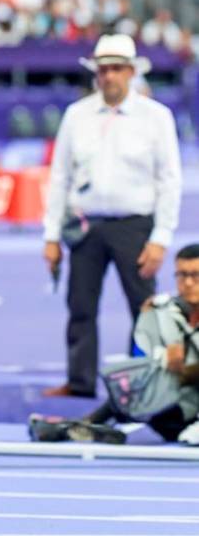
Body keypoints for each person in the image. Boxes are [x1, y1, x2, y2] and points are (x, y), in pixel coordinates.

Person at [42, 34, 182, 398]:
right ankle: (79, 381)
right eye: (103, 70)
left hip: (135, 226)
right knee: (80, 307)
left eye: (117, 69)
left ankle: (146, 383)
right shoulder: (77, 115)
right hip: (85, 225)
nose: (109, 77)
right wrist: (51, 236)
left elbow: (169, 180)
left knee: (144, 310)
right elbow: (59, 177)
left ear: (132, 72)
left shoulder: (156, 117)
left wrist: (161, 237)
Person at [30, 244, 199, 445]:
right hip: (169, 409)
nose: (188, 283)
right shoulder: (161, 310)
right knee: (135, 382)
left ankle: (83, 425)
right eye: (181, 275)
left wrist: (184, 369)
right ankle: (84, 427)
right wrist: (164, 359)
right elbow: (143, 359)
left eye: (196, 275)